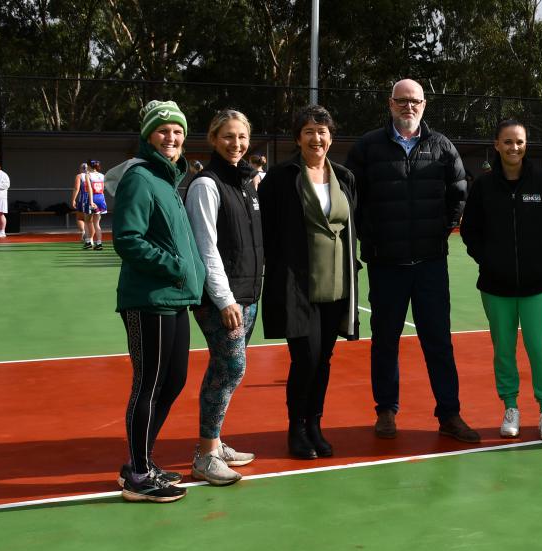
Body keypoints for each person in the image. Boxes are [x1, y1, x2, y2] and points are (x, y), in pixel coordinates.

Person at [345, 79, 479, 443]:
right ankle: (386, 411)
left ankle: (449, 414)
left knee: (438, 341)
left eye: (415, 101)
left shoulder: (442, 147)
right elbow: (350, 199)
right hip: (385, 265)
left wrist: (441, 231)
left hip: (430, 264)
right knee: (385, 341)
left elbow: (460, 193)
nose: (409, 107)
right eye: (402, 101)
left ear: (424, 105)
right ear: (390, 104)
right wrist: (370, 237)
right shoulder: (368, 147)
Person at [111, 100, 205, 502]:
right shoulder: (140, 178)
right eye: (164, 130)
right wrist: (174, 267)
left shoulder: (167, 180)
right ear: (149, 135)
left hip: (176, 298)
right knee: (148, 384)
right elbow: (128, 239)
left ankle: (142, 460)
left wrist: (188, 274)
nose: (172, 137)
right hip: (149, 299)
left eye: (178, 131)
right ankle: (137, 473)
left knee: (174, 380)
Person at [259, 104, 359, 459]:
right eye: (309, 132)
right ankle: (296, 428)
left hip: (337, 284)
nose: (317, 138)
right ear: (297, 138)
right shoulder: (280, 178)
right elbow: (267, 233)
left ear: (331, 138)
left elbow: (350, 229)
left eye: (323, 132)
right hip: (296, 285)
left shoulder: (344, 177)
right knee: (306, 359)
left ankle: (315, 424)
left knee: (324, 359)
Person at [460, 119, 542, 441]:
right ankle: (511, 407)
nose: (513, 147)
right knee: (503, 350)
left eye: (519, 141)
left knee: (539, 349)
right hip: (496, 286)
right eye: (507, 142)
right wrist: (488, 259)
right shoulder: (484, 187)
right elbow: (469, 231)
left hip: (538, 285)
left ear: (526, 144)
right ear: (497, 145)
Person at [184, 110, 263, 485]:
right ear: (213, 139)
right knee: (229, 368)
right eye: (228, 137)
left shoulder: (246, 182)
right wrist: (224, 298)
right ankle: (204, 454)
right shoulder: (206, 184)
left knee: (229, 371)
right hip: (224, 299)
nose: (236, 144)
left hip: (248, 294)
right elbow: (206, 247)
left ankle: (214, 443)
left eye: (242, 137)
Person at [84, 160, 107, 250]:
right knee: (97, 223)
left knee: (87, 221)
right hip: (101, 198)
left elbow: (90, 189)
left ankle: (88, 242)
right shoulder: (102, 175)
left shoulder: (88, 175)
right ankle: (99, 243)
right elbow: (103, 189)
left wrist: (91, 202)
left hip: (92, 198)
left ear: (89, 166)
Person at [69, 162, 88, 243]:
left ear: (81, 169)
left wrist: (73, 200)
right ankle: (94, 239)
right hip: (95, 199)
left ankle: (84, 232)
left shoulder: (79, 176)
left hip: (84, 198)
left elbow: (76, 188)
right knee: (92, 220)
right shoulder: (95, 175)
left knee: (80, 218)